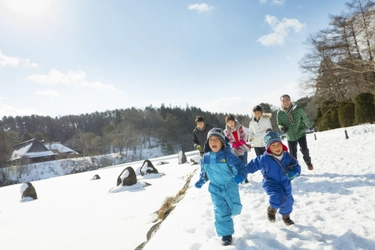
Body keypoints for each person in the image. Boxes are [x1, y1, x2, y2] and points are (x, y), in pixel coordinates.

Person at [194, 128, 247, 246]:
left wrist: (240, 176)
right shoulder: (205, 158)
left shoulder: (228, 156)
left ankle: (229, 216)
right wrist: (201, 181)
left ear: (222, 142)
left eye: (216, 139)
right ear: (207, 142)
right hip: (215, 189)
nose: (213, 142)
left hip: (230, 186)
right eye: (211, 139)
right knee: (221, 212)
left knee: (235, 209)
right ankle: (226, 235)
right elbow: (205, 173)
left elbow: (241, 167)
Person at [245, 130, 301, 226]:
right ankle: (272, 209)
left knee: (288, 201)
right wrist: (242, 172)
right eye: (273, 145)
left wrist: (295, 173)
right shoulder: (264, 158)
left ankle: (286, 216)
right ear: (268, 148)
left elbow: (296, 166)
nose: (277, 147)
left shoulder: (287, 156)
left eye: (278, 144)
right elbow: (252, 165)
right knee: (278, 197)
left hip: (285, 182)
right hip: (271, 182)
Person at [276, 94, 314, 170]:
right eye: (284, 101)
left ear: (290, 100)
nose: (286, 102)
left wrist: (310, 125)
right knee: (293, 154)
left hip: (300, 133)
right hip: (290, 136)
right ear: (281, 102)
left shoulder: (298, 109)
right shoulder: (279, 113)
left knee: (304, 150)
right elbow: (279, 123)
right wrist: (282, 128)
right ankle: (295, 167)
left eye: (287, 100)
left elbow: (304, 118)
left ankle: (308, 162)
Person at [223, 114, 251, 183]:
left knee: (244, 163)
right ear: (227, 123)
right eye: (229, 123)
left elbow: (245, 134)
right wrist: (232, 144)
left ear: (234, 121)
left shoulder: (240, 127)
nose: (231, 124)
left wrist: (243, 140)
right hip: (234, 150)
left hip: (243, 147)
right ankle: (240, 178)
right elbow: (226, 141)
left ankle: (245, 177)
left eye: (232, 122)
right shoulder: (225, 132)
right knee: (237, 164)